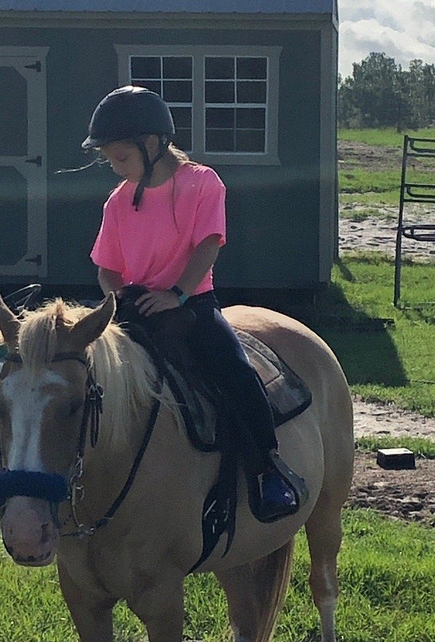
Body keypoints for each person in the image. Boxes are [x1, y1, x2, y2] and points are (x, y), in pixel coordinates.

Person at [84, 85, 305, 523]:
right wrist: (117, 296)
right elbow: (106, 267)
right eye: (109, 160)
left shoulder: (202, 183)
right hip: (135, 310)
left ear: (152, 145)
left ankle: (268, 468)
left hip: (192, 305)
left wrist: (178, 294)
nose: (115, 169)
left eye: (121, 158)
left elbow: (208, 245)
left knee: (237, 372)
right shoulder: (117, 202)